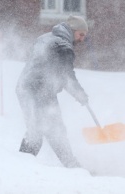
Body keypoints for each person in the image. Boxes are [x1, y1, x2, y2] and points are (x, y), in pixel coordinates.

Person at [16, 15, 89, 168]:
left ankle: (22, 165)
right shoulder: (63, 46)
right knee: (53, 129)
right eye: (81, 34)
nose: (82, 39)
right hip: (41, 90)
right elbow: (67, 75)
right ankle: (71, 165)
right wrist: (80, 95)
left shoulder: (44, 38)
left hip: (24, 87)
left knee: (36, 129)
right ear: (72, 30)